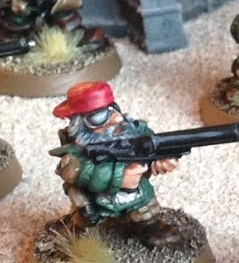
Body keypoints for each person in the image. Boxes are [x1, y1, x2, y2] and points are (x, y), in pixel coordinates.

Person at [50, 82, 181, 246]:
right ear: (80, 124)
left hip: (136, 193)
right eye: (100, 117)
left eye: (113, 109)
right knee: (84, 221)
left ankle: (148, 226)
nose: (116, 119)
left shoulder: (134, 131)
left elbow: (153, 146)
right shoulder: (75, 152)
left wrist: (164, 158)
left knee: (145, 208)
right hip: (97, 199)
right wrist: (120, 177)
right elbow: (82, 172)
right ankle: (77, 233)